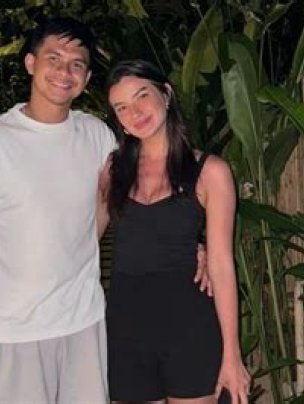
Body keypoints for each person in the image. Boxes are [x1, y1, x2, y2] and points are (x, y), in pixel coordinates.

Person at [0, 18, 116, 403]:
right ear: (30, 63)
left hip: (83, 323)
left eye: (76, 64)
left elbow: (107, 205)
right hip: (13, 331)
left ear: (87, 78)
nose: (64, 72)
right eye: (53, 58)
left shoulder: (97, 135)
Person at [99, 59, 251, 404]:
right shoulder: (113, 170)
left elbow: (222, 265)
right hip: (125, 329)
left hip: (190, 328)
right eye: (121, 107)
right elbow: (83, 237)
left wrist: (232, 354)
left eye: (142, 96)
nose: (135, 112)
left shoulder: (210, 171)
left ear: (166, 94)